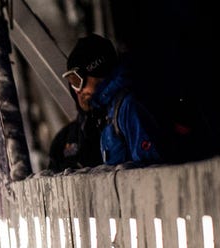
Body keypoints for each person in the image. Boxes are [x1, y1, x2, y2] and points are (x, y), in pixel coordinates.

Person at [61, 34, 162, 166]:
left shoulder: (128, 107)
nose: (77, 90)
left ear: (96, 70)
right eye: (72, 82)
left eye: (77, 80)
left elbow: (151, 169)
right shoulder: (107, 113)